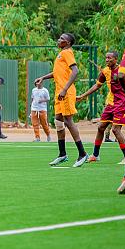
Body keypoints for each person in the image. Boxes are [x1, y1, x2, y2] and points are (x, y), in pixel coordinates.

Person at [35, 33, 88, 167]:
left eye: (62, 39)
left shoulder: (67, 52)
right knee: (58, 121)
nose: (59, 40)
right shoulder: (61, 54)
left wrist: (64, 89)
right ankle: (62, 154)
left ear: (68, 43)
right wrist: (43, 77)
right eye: (59, 38)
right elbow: (57, 73)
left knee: (68, 121)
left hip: (66, 92)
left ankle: (82, 153)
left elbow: (75, 71)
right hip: (60, 92)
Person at [75, 51, 125, 163]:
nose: (107, 60)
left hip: (122, 103)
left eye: (110, 58)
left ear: (116, 59)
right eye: (106, 58)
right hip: (110, 104)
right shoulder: (105, 71)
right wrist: (83, 96)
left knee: (115, 130)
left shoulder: (122, 71)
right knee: (101, 127)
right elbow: (97, 85)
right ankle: (95, 155)